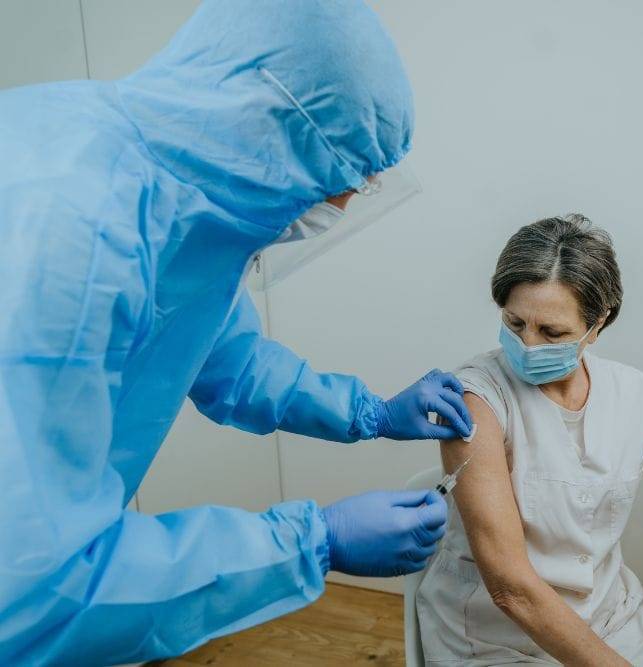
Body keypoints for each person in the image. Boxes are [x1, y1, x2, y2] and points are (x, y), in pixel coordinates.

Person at [0, 1, 472, 664]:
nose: (337, 206)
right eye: (340, 185)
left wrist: (369, 411)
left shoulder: (174, 201)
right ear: (269, 128)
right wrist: (315, 540)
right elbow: (35, 589)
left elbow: (232, 359)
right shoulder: (72, 232)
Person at [415, 215, 643, 666]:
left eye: (552, 333)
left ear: (597, 325)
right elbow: (512, 589)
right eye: (515, 323)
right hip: (498, 639)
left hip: (611, 622)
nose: (528, 345)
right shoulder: (475, 400)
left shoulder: (628, 392)